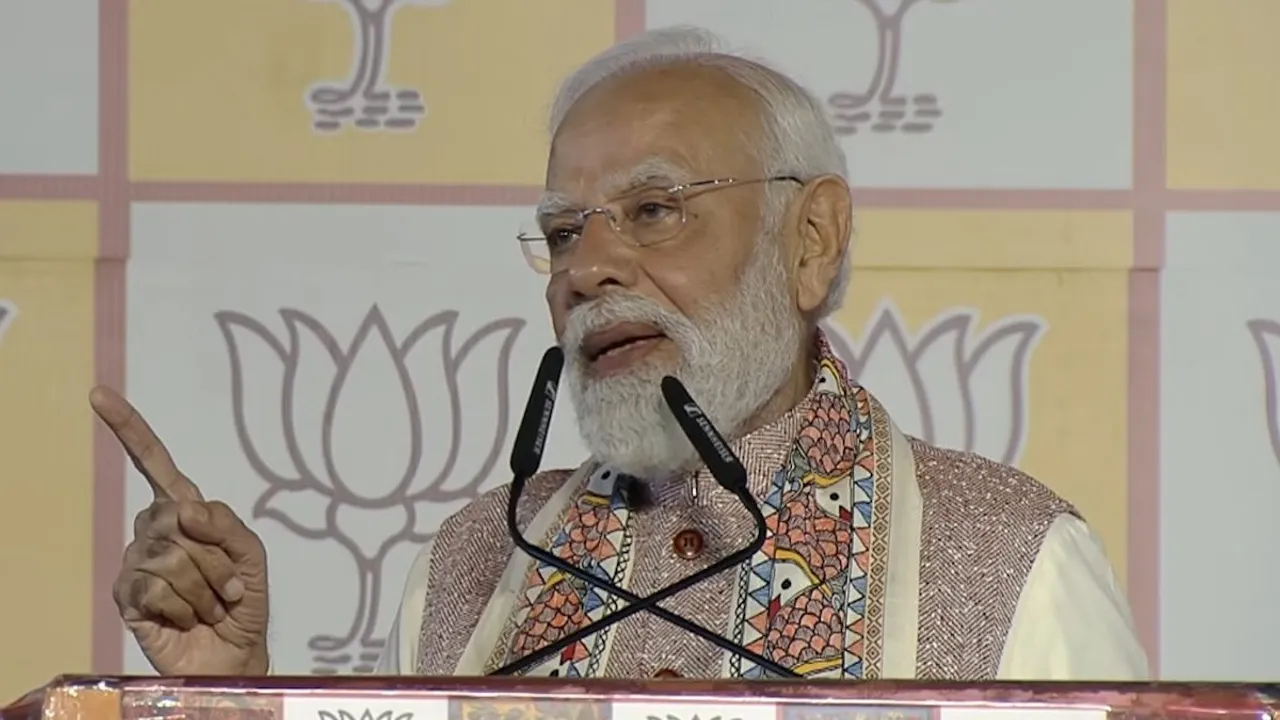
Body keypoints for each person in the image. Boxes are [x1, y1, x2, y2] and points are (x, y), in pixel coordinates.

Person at [95, 26, 1149, 681]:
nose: (587, 268)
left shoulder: (1010, 557)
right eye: (563, 232)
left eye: (653, 210)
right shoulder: (477, 558)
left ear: (810, 241)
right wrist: (225, 693)